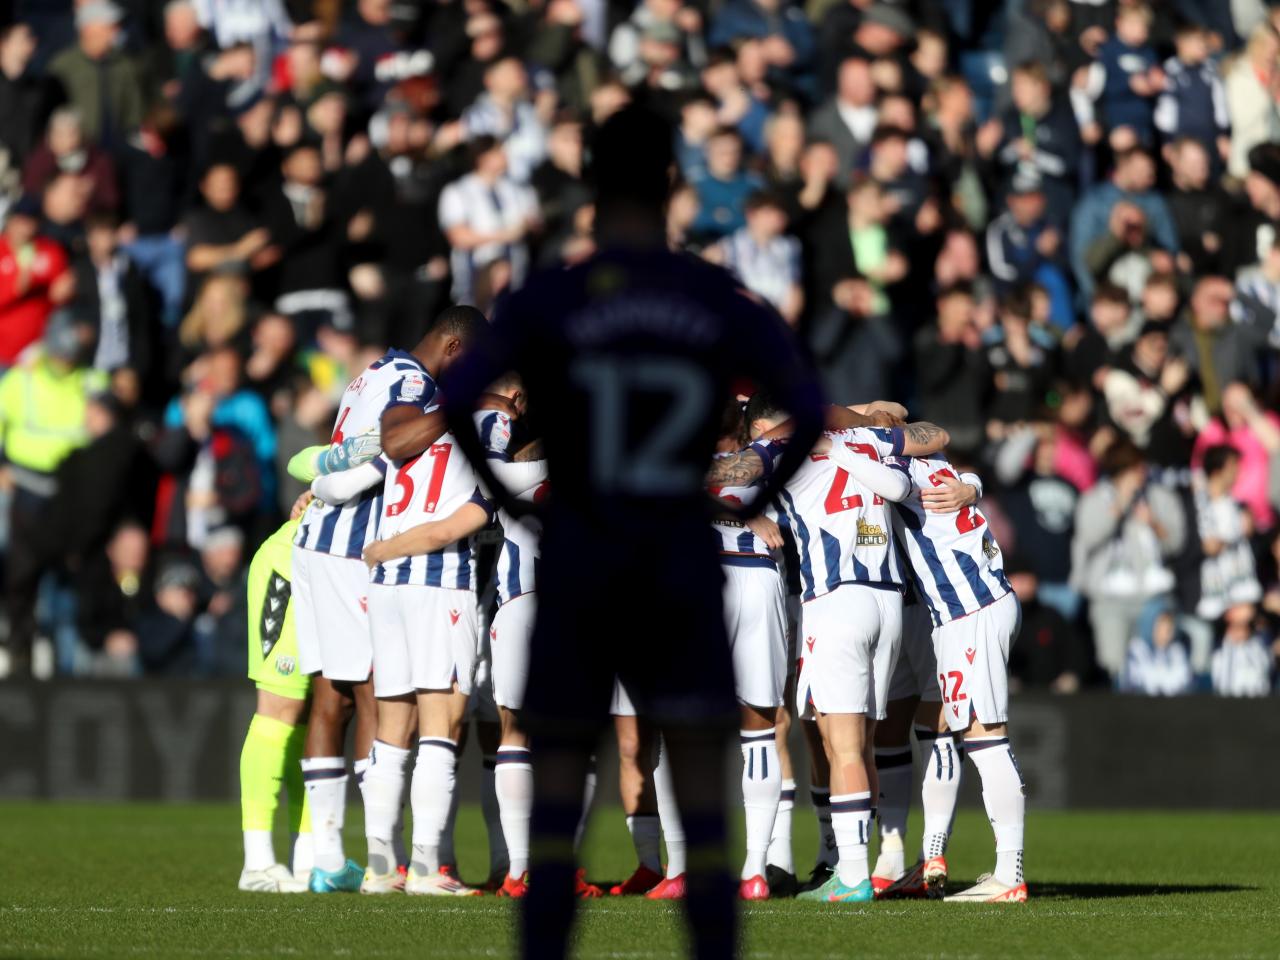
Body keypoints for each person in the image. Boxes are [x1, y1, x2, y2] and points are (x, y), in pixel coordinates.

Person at [441, 105, 825, 960]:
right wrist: (753, 503)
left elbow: (458, 399)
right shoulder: (710, 294)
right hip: (679, 558)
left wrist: (517, 508)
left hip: (581, 557)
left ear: (587, 178)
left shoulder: (553, 291)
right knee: (703, 796)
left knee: (553, 807)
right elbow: (803, 406)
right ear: (671, 180)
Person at [290, 309, 482, 893]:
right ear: (453, 347)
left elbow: (340, 455)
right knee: (384, 697)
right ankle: (392, 862)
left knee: (333, 697)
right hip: (361, 551)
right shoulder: (414, 386)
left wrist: (316, 483)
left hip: (320, 544)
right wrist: (325, 485)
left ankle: (320, 855)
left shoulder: (377, 368)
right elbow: (373, 460)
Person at [238, 511, 312, 893]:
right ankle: (257, 862)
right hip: (292, 565)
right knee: (280, 710)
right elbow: (305, 460)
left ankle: (308, 860)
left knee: (317, 719)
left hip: (344, 574)